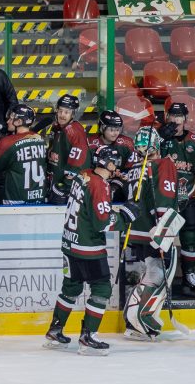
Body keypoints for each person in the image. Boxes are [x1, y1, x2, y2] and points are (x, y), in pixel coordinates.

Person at [44, 145, 139, 355]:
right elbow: (102, 222)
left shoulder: (84, 175)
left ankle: (55, 331)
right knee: (102, 288)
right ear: (110, 164)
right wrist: (124, 217)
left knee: (71, 287)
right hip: (88, 248)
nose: (118, 165)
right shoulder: (99, 185)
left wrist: (112, 187)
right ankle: (88, 337)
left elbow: (90, 203)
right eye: (115, 162)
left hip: (70, 243)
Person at [121, 127, 181, 342]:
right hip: (154, 232)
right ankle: (141, 320)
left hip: (134, 231)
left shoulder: (135, 166)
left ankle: (131, 321)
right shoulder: (164, 164)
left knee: (147, 277)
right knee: (158, 278)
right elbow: (165, 198)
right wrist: (163, 232)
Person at [158, 102, 195, 297]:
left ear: (185, 119)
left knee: (190, 237)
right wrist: (159, 138)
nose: (175, 120)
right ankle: (162, 276)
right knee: (163, 239)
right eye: (172, 116)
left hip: (187, 196)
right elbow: (146, 157)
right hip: (165, 199)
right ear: (167, 117)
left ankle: (188, 274)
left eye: (179, 116)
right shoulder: (159, 138)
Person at [0, 104, 47, 205]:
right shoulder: (40, 139)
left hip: (14, 199)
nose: (8, 121)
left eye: (11, 118)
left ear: (18, 122)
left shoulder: (7, 142)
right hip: (38, 198)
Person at [47, 94, 90, 204]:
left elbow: (78, 162)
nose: (62, 115)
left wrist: (66, 185)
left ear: (73, 114)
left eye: (66, 112)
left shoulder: (74, 131)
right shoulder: (57, 128)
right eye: (60, 111)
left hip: (67, 189)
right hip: (55, 180)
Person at [87, 110, 136, 201]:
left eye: (118, 129)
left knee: (113, 192)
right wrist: (95, 171)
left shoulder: (127, 144)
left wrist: (123, 174)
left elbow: (132, 169)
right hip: (95, 180)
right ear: (102, 128)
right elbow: (83, 168)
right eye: (111, 130)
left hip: (117, 182)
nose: (115, 133)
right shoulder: (90, 143)